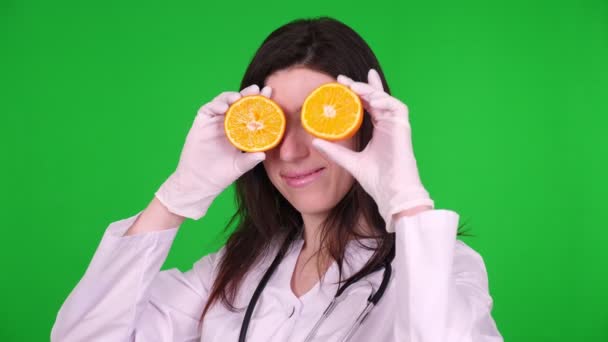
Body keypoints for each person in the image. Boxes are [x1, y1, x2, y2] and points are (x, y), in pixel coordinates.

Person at [51, 17, 503, 342]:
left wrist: (406, 199)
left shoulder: (440, 268)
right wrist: (175, 197)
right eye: (275, 124)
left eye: (318, 118)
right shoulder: (231, 272)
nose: (289, 151)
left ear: (367, 122)